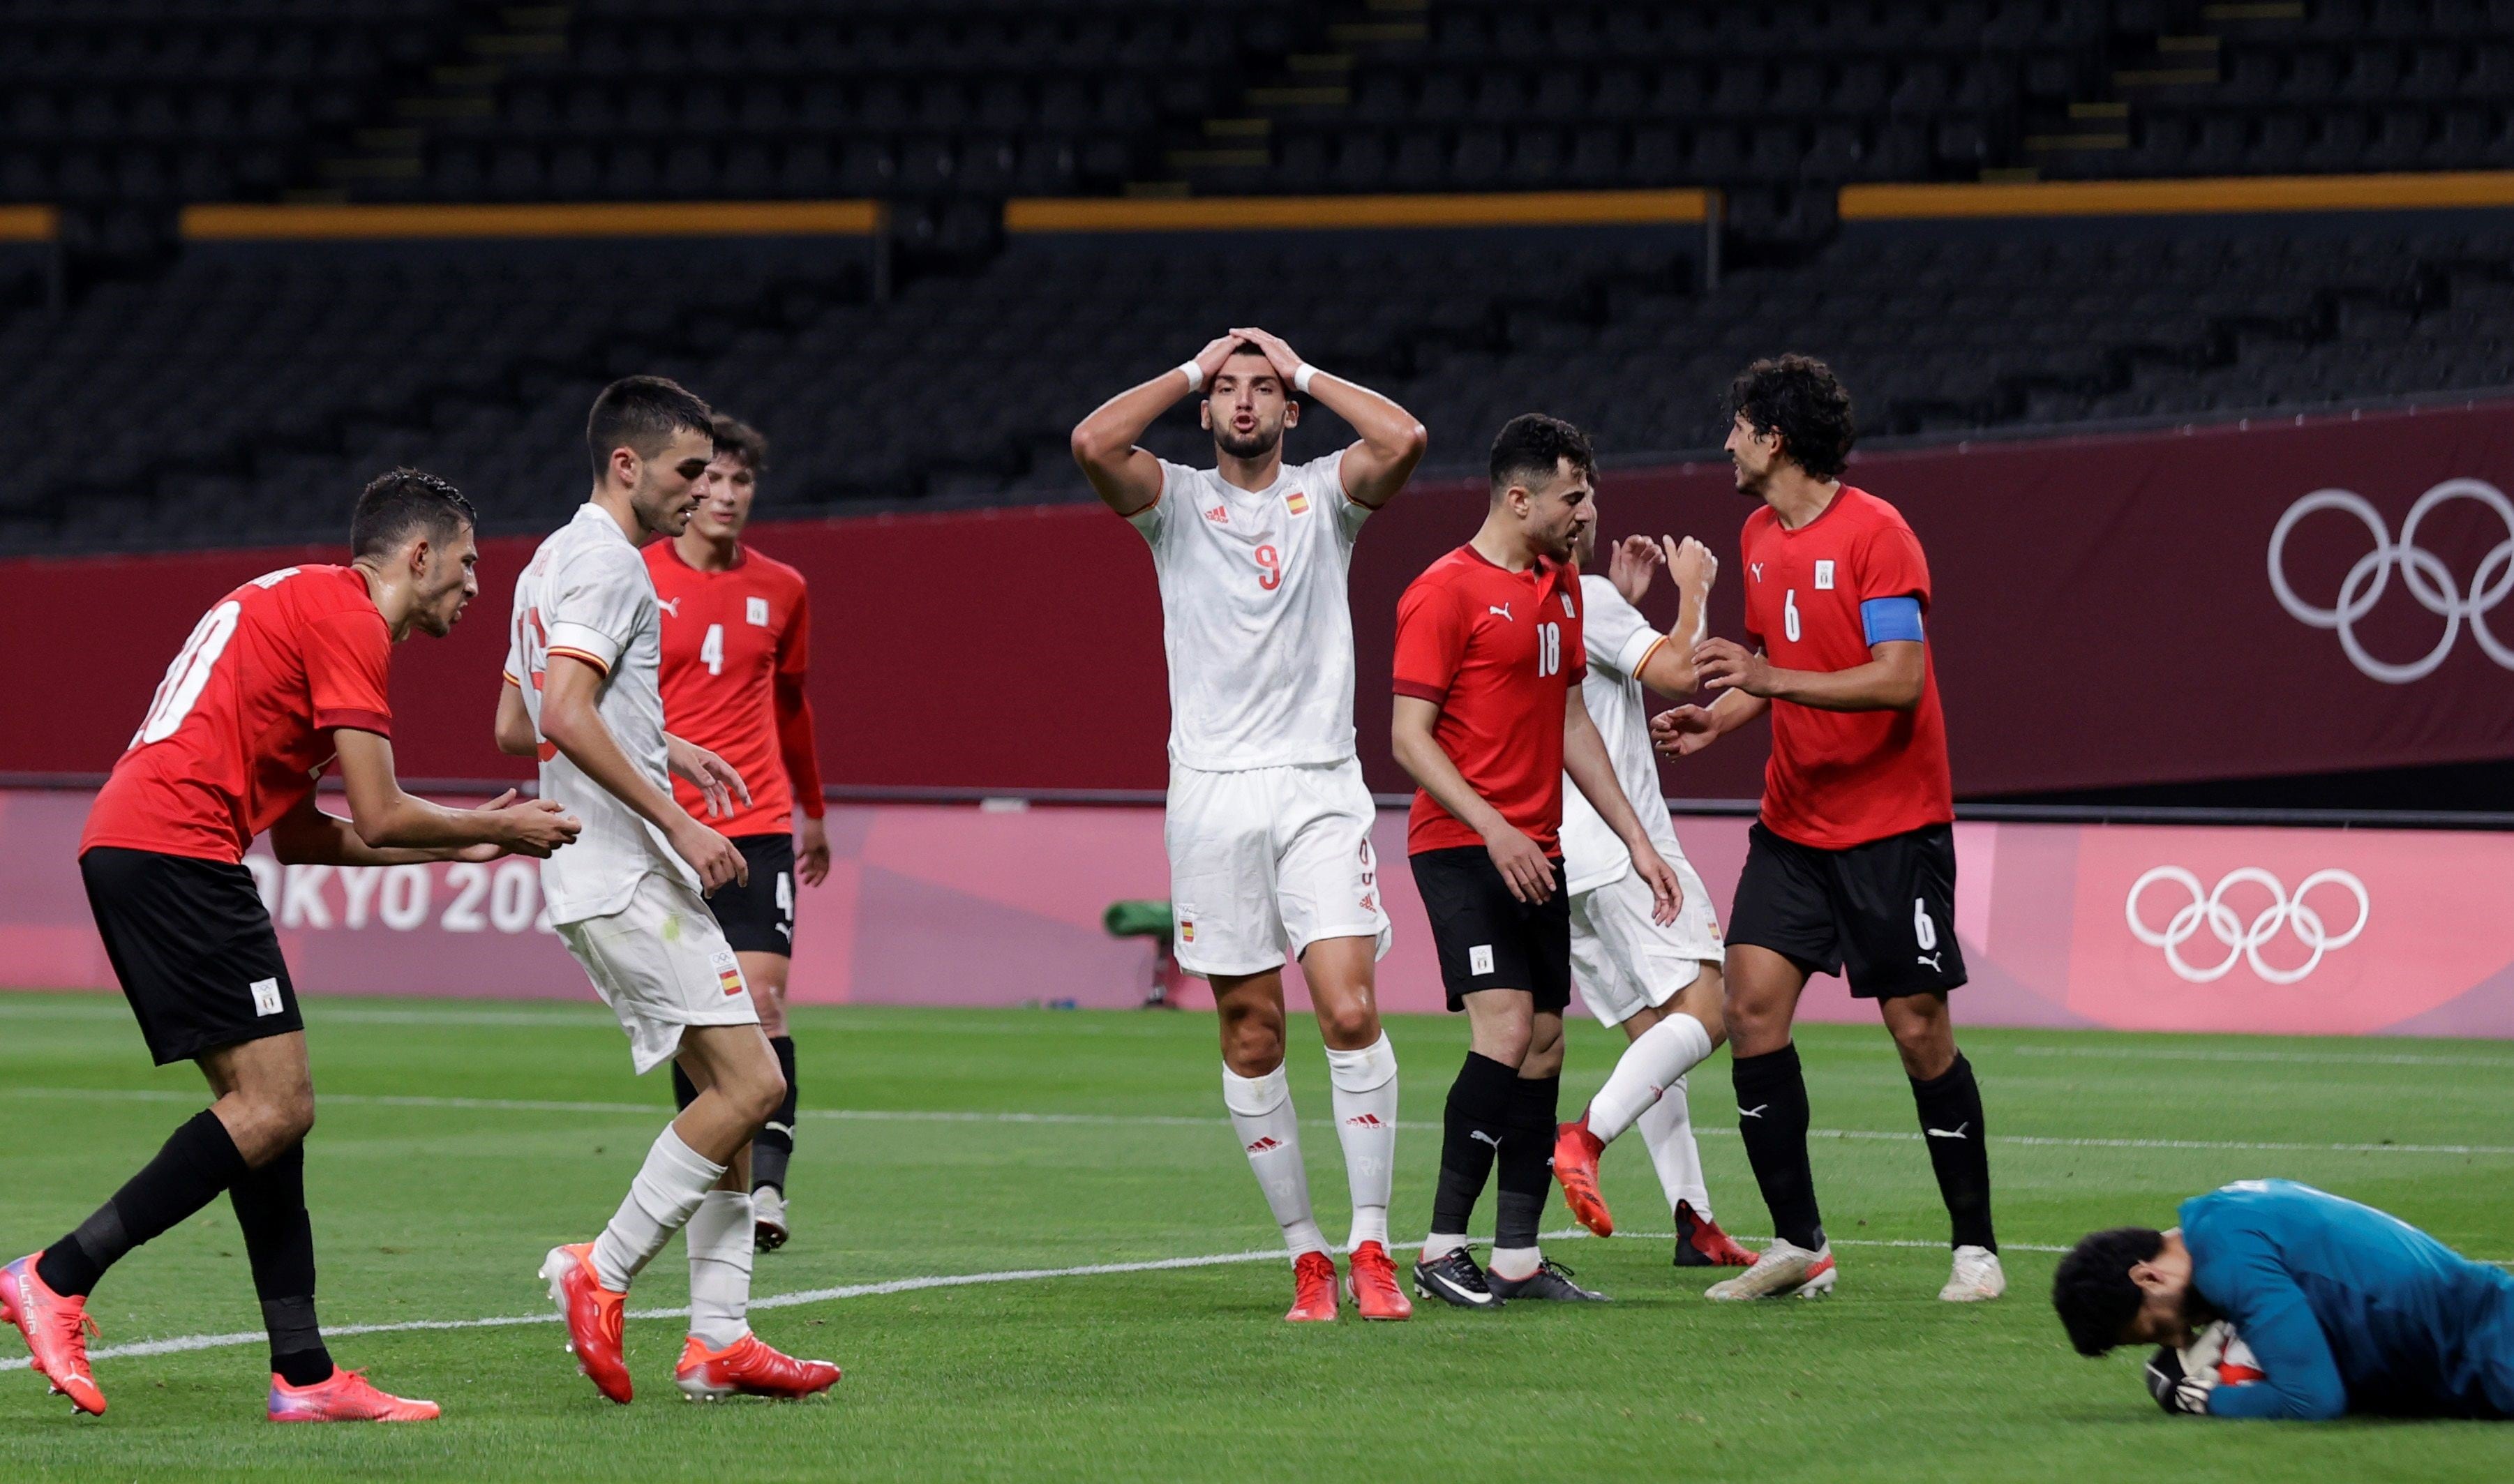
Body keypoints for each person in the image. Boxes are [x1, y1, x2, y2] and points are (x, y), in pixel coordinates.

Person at [3, 470, 580, 1423]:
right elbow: (386, 811)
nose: (477, 587)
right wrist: (495, 827)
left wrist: (469, 839)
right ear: (418, 554)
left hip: (145, 842)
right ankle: (56, 1275)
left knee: (265, 1115)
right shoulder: (351, 619)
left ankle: (304, 1373)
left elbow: (309, 835)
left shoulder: (299, 600)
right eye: (468, 564)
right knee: (277, 1104)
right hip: (176, 847)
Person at [1072, 328, 1427, 1323]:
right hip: (1212, 795)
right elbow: (1093, 443)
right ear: (1201, 408)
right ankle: (1304, 1252)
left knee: (1348, 1009)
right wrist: (1186, 364)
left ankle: (1369, 1240)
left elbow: (1403, 436)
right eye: (1226, 389)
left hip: (1316, 784)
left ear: (1287, 409)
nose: (1242, 401)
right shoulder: (1174, 504)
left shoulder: (1327, 498)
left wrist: (1305, 365)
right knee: (1250, 1025)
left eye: (1261, 389)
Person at [499, 376, 837, 1402]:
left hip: (607, 870)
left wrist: (662, 737)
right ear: (627, 464)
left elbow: (518, 726)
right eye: (689, 471)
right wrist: (682, 816)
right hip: (629, 867)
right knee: (755, 1086)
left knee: (728, 1099)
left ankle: (719, 1339)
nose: (702, 489)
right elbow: (562, 708)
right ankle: (600, 1269)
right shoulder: (609, 564)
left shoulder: (546, 562)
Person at [1650, 355, 1998, 1303]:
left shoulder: (1877, 535)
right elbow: (1770, 662)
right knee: (1751, 1009)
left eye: (1736, 424)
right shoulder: (1756, 533)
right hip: (1793, 827)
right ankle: (1798, 1244)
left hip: (1892, 828)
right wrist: (1716, 717)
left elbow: (1896, 681)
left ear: (1773, 438)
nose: (1724, 439)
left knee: (1917, 1030)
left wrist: (1765, 683)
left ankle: (1974, 1249)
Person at [1390, 414, 1684, 1310]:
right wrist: (1493, 828)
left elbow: (1571, 724)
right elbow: (1408, 738)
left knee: (1548, 1043)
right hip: (1462, 847)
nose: (1587, 511)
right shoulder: (1442, 591)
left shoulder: (1560, 589)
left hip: (1539, 850)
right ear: (1518, 499)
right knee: (1507, 1032)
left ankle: (1516, 1255)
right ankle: (1443, 1249)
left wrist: (1636, 839)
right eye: (1573, 496)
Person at [1545, 523, 1755, 1270]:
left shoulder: (1540, 605)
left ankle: (1695, 1222)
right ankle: (1586, 1138)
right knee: (1710, 1010)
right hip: (1623, 847)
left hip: (1560, 859)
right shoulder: (1587, 598)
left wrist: (1629, 607)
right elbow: (1678, 673)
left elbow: (1596, 686)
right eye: (1580, 498)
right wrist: (1692, 587)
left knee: (1655, 1045)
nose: (1588, 513)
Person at [648, 414, 827, 1253]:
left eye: (739, 482)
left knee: (759, 1002)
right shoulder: (638, 577)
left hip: (755, 825)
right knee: (694, 1023)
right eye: (709, 479)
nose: (723, 496)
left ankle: (766, 1191)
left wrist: (815, 810)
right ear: (686, 486)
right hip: (668, 830)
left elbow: (792, 706)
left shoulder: (783, 588)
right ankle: (707, 1188)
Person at [2053, 1179, 2514, 1421]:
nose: (2181, 1337)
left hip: (2495, 1355)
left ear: (2146, 1275)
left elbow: (2311, 1399)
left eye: (2157, 1326)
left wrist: (2204, 1400)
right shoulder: (2219, 1212)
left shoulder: (2226, 1262)